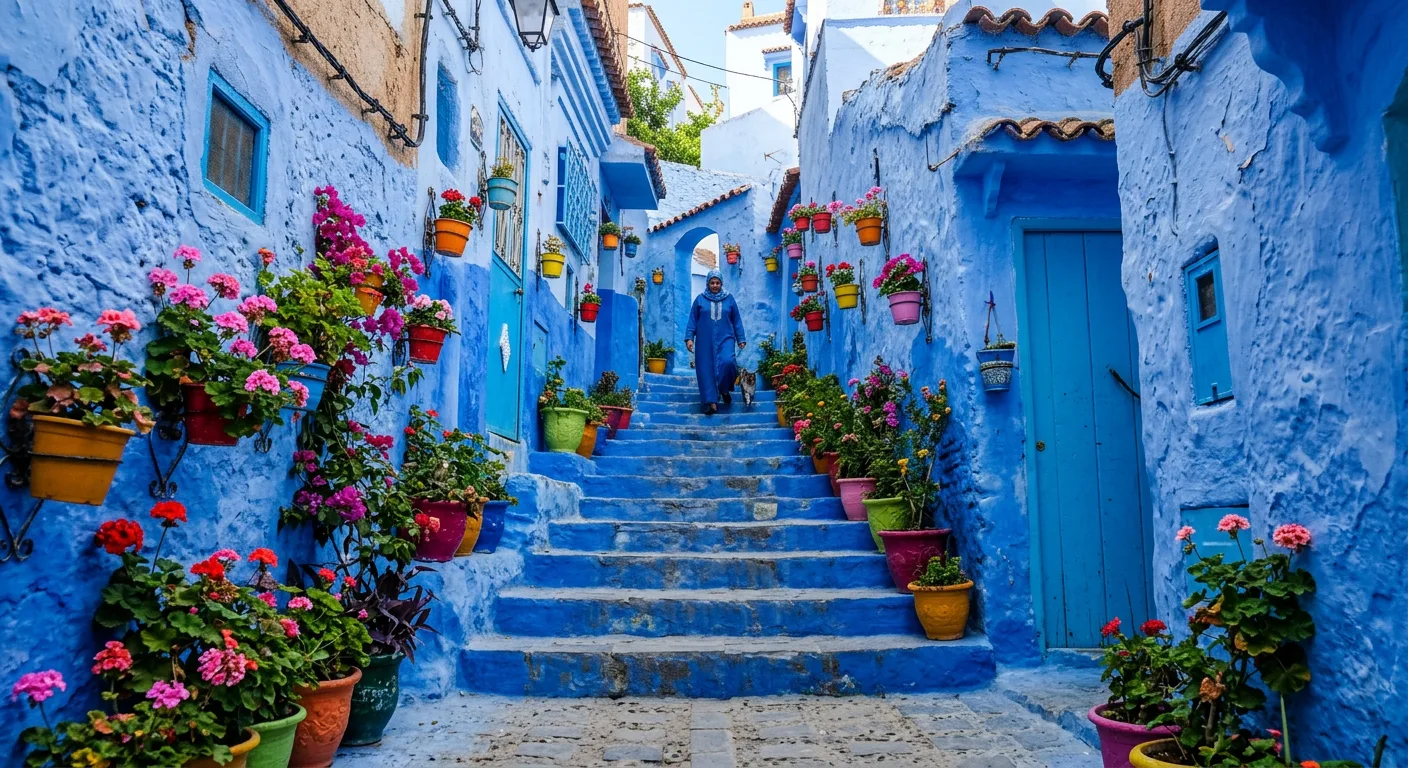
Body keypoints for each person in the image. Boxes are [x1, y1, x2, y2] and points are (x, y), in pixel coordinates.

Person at [684, 270, 746, 415]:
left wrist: (741, 338)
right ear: (708, 283)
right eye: (712, 282)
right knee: (705, 370)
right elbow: (692, 320)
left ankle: (724, 389)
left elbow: (736, 320)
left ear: (721, 283)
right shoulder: (700, 299)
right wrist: (689, 338)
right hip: (704, 341)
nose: (715, 285)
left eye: (717, 283)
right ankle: (711, 403)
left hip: (726, 338)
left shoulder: (729, 299)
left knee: (728, 362)